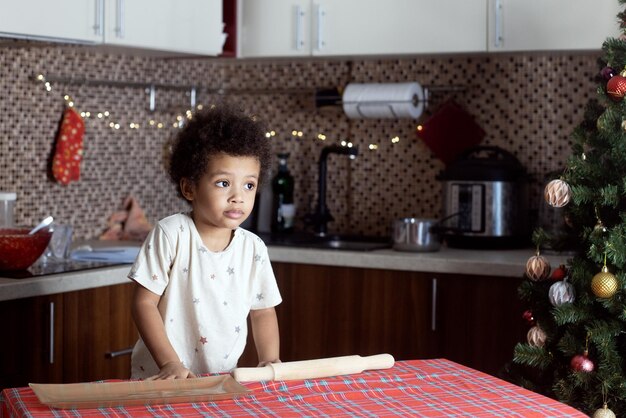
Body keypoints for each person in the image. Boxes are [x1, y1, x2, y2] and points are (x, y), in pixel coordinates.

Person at [129, 104, 282, 380]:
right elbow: (143, 304)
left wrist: (270, 361)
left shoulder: (253, 248)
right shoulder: (171, 234)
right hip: (163, 380)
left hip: (219, 380)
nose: (238, 196)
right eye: (224, 183)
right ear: (190, 188)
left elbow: (263, 312)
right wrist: (170, 364)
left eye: (249, 185)